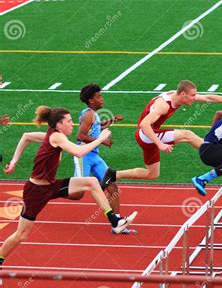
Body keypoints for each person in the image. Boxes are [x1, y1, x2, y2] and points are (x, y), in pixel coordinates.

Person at [0, 106, 137, 270]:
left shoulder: (52, 135)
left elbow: (26, 136)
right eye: (69, 121)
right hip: (35, 192)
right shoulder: (57, 137)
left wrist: (14, 162)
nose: (73, 124)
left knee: (92, 182)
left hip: (51, 186)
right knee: (21, 235)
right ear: (59, 125)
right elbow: (79, 152)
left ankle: (115, 222)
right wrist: (100, 138)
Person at [100, 79, 222, 187]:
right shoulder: (164, 105)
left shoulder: (176, 95)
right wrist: (160, 144)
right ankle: (219, 153)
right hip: (146, 134)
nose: (194, 98)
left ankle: (112, 174)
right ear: (183, 94)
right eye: (192, 96)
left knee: (152, 174)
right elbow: (145, 124)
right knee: (187, 134)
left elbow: (208, 97)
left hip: (150, 135)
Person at [75, 83, 137, 235]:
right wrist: (102, 140)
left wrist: (113, 120)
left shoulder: (94, 115)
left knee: (112, 186)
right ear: (91, 100)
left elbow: (98, 127)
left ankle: (117, 224)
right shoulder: (88, 114)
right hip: (83, 156)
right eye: (99, 97)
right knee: (77, 193)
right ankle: (50, 190)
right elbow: (80, 136)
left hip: (94, 156)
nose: (102, 99)